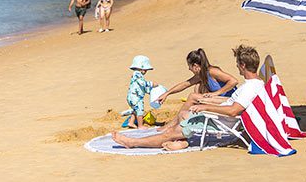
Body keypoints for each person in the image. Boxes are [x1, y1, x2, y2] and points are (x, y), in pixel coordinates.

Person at [113, 45, 264, 150]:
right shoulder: (254, 84)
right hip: (219, 113)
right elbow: (185, 84)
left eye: (238, 64)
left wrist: (206, 105)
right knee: (185, 113)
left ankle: (132, 142)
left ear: (243, 65)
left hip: (218, 120)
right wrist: (168, 94)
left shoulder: (243, 84)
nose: (236, 66)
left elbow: (233, 110)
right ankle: (181, 139)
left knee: (171, 133)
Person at [156, 49, 238, 131]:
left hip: (230, 103)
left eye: (189, 66)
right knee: (197, 87)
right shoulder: (201, 75)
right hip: (219, 101)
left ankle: (172, 124)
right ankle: (176, 123)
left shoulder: (212, 71)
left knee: (193, 96)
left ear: (195, 66)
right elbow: (185, 84)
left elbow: (234, 81)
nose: (189, 69)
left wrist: (216, 93)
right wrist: (167, 93)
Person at [125, 55, 156, 129]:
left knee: (135, 110)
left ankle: (131, 122)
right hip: (135, 97)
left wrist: (149, 91)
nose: (146, 71)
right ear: (141, 68)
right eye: (145, 70)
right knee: (140, 111)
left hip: (131, 97)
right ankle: (140, 125)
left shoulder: (135, 75)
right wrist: (152, 84)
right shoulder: (137, 75)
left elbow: (141, 87)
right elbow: (142, 83)